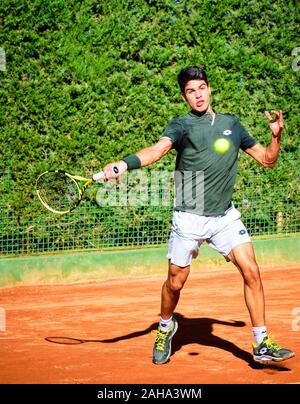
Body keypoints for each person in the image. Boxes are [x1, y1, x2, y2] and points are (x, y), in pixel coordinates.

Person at [97, 66, 295, 365]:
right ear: (185, 97)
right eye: (191, 91)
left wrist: (276, 137)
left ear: (209, 89)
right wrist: (125, 164)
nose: (198, 95)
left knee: (252, 271)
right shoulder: (181, 125)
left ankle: (261, 342)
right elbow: (158, 149)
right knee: (175, 284)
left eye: (201, 87)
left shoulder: (232, 125)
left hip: (224, 217)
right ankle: (165, 327)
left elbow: (267, 161)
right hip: (188, 217)